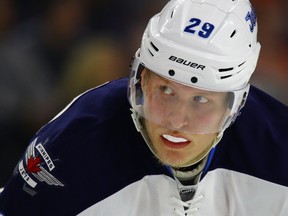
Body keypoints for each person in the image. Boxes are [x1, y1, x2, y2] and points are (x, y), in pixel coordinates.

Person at [1, 0, 288, 215]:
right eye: (165, 90)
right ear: (141, 81)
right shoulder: (71, 147)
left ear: (234, 106)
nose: (177, 119)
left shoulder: (279, 152)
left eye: (201, 99)